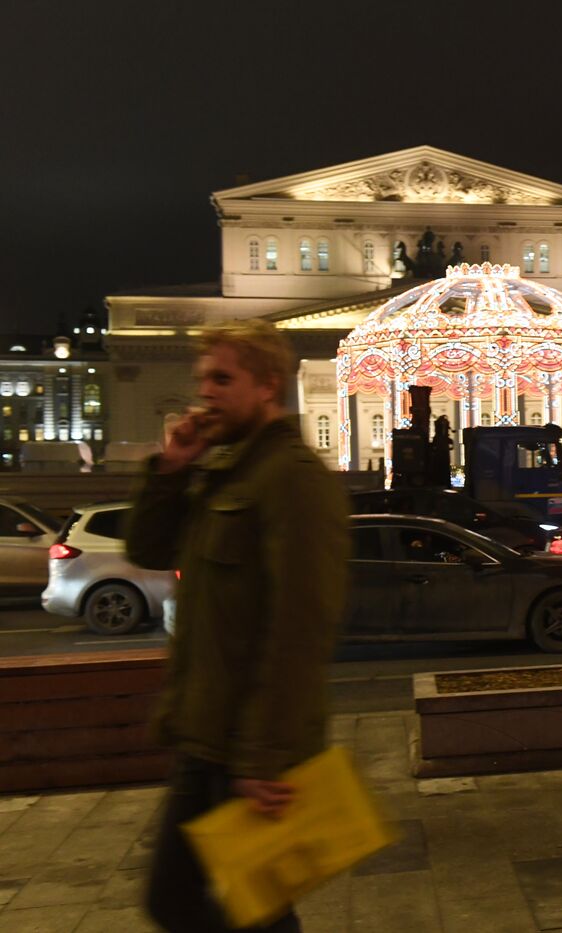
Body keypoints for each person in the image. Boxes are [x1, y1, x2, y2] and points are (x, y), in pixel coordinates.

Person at [127, 320, 350, 932]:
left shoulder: (294, 480)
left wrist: (263, 756)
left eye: (223, 378)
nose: (206, 393)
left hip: (248, 750)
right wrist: (171, 470)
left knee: (247, 912)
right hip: (206, 735)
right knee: (187, 904)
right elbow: (146, 550)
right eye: (203, 379)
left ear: (268, 385)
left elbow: (300, 629)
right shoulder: (223, 472)